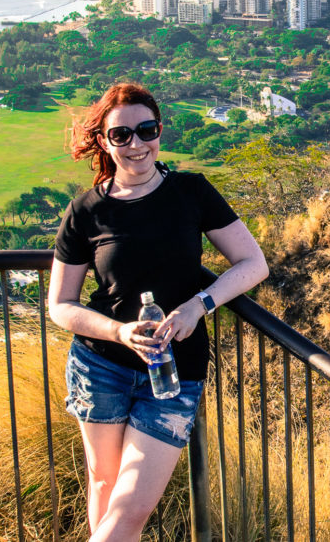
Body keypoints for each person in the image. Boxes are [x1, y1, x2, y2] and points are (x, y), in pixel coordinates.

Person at [48, 83, 268, 542]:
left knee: (129, 512)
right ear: (104, 142)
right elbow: (61, 305)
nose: (136, 144)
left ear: (160, 131)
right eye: (121, 135)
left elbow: (253, 264)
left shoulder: (190, 192)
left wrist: (197, 306)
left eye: (146, 130)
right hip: (100, 364)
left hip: (174, 372)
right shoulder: (86, 211)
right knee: (105, 487)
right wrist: (119, 331)